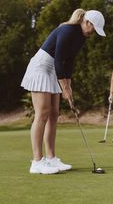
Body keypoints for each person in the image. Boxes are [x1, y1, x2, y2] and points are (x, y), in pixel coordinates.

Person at [21, 9, 106, 174]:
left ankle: (51, 158)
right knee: (43, 113)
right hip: (41, 68)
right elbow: (59, 59)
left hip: (53, 70)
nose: (93, 33)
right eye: (94, 29)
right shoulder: (68, 31)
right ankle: (37, 161)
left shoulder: (81, 37)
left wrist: (69, 85)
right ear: (87, 22)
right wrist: (64, 87)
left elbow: (69, 61)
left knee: (54, 114)